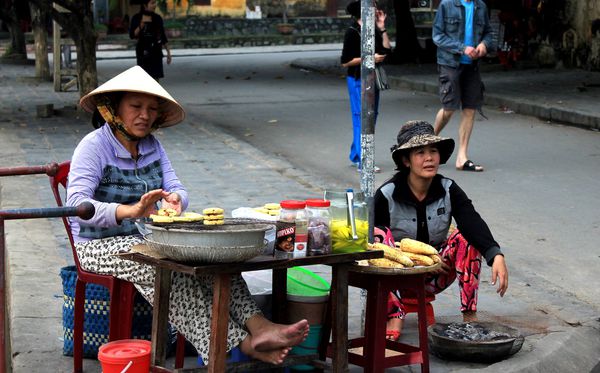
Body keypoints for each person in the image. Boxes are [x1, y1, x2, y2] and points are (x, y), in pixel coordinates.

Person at [68, 66, 309, 365]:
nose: (145, 115)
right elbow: (77, 206)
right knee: (169, 272)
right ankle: (242, 344)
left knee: (210, 259)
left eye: (152, 109)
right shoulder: (93, 147)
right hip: (97, 247)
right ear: (113, 109)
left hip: (146, 240)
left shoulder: (152, 146)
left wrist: (175, 200)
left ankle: (260, 327)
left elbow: (177, 186)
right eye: (135, 106)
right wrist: (129, 211)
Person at [374, 120, 508, 340]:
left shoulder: (448, 189)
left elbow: (471, 221)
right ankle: (394, 314)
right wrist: (420, 259)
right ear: (406, 160)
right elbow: (373, 245)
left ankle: (469, 315)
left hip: (436, 275)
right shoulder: (387, 194)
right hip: (394, 277)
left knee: (465, 239)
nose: (429, 158)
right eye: (420, 152)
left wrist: (496, 255)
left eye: (433, 151)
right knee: (381, 235)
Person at [431, 0, 495, 172]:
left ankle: (462, 157)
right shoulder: (447, 4)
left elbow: (488, 33)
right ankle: (428, 140)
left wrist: (484, 45)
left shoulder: (481, 6)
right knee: (449, 108)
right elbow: (437, 36)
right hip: (450, 63)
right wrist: (462, 48)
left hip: (472, 65)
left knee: (470, 108)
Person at [341, 0, 391, 173]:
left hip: (373, 79)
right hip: (357, 79)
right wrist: (369, 58)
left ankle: (356, 155)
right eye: (373, 6)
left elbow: (387, 49)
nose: (376, 9)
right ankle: (364, 161)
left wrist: (382, 27)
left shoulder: (374, 29)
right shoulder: (352, 32)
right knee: (361, 118)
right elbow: (346, 61)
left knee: (372, 116)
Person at [129, 0, 172, 81]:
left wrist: (168, 53)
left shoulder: (157, 18)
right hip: (143, 53)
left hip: (156, 52)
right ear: (145, 5)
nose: (155, 5)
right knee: (144, 80)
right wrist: (141, 25)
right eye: (152, 3)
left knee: (156, 80)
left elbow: (162, 36)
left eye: (155, 2)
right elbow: (132, 35)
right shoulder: (137, 17)